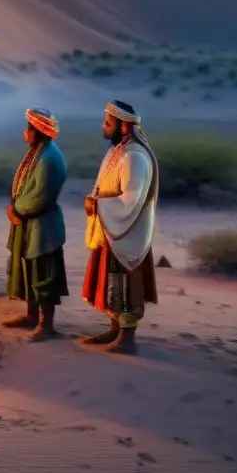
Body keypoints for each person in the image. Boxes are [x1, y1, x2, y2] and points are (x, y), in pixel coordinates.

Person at [80, 100, 159, 355]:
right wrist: (94, 200)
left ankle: (127, 338)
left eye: (108, 123)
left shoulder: (135, 157)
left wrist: (97, 206)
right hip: (110, 229)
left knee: (125, 282)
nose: (103, 127)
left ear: (124, 126)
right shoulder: (118, 151)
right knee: (110, 281)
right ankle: (114, 328)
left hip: (126, 232)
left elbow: (130, 200)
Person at [4, 108, 68, 339]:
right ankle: (32, 316)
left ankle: (46, 324)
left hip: (41, 227)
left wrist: (16, 210)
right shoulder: (39, 153)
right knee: (27, 271)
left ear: (40, 131)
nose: (26, 132)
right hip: (29, 224)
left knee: (43, 274)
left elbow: (40, 195)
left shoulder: (49, 158)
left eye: (30, 128)